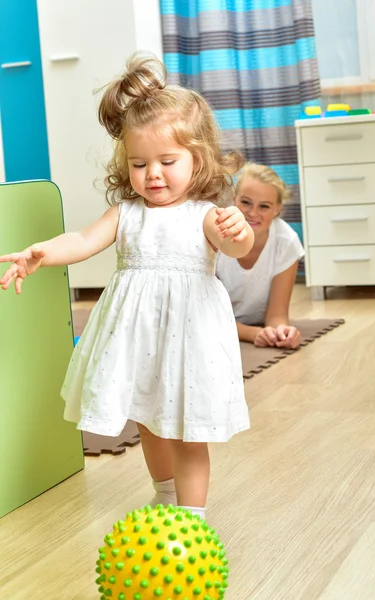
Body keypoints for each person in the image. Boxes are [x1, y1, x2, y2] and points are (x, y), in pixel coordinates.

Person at [0, 54, 254, 520]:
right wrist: (43, 252)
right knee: (149, 421)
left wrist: (239, 232)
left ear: (199, 160)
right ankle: (164, 494)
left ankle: (192, 521)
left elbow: (236, 248)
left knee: (187, 431)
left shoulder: (205, 215)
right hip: (137, 341)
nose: (152, 174)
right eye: (139, 164)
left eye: (167, 161)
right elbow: (81, 240)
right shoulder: (128, 214)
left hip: (190, 341)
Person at [216, 163, 305, 349]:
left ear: (277, 210)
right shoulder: (215, 237)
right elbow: (205, 316)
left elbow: (277, 314)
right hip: (214, 323)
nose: (253, 213)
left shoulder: (286, 242)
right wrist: (252, 333)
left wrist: (281, 332)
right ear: (234, 199)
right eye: (246, 202)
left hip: (252, 322)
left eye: (264, 206)